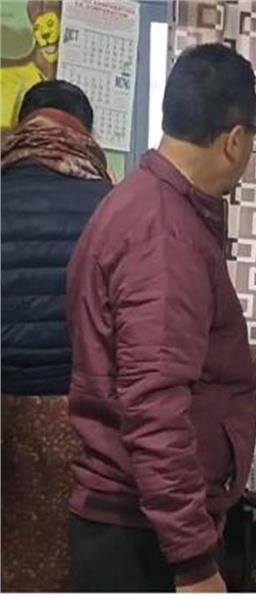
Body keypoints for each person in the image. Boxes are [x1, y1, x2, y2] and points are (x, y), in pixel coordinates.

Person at [65, 43, 256, 592]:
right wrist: (194, 561)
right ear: (234, 140)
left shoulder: (142, 201)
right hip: (143, 534)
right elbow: (155, 406)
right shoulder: (164, 235)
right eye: (254, 141)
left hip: (137, 517)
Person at [0, 80, 111, 592]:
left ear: (22, 124)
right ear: (86, 131)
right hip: (78, 421)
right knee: (64, 563)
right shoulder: (111, 206)